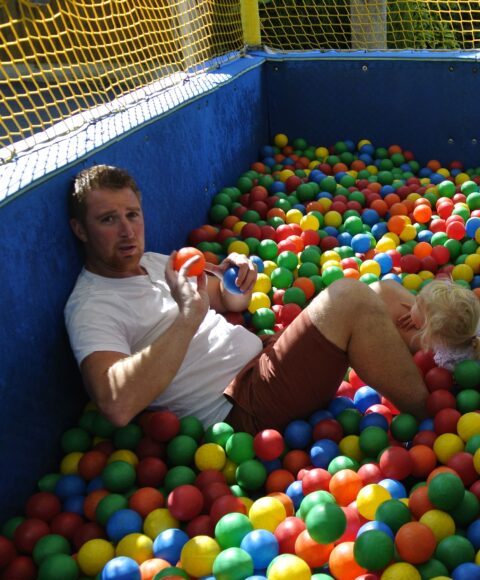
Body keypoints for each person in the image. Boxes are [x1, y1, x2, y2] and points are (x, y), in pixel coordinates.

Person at [64, 165, 429, 432]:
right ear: (80, 229)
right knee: (349, 297)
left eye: (132, 215)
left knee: (382, 292)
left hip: (266, 360)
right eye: (108, 220)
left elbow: (228, 302)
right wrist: (188, 318)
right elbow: (117, 403)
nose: (127, 231)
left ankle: (457, 346)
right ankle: (431, 419)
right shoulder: (92, 306)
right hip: (242, 407)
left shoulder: (155, 262)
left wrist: (234, 276)